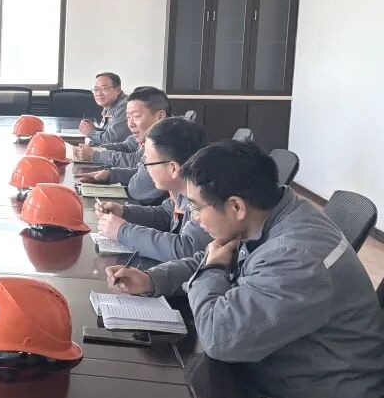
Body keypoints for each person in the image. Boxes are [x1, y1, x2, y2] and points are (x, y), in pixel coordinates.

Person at [106, 141, 384, 398]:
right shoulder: (269, 213)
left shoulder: (295, 255)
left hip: (315, 386)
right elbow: (214, 257)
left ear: (236, 206)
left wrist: (212, 270)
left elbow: (219, 337)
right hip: (282, 361)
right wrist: (152, 279)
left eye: (196, 207)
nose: (194, 217)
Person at [94, 117, 211, 261]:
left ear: (173, 168)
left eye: (148, 162)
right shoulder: (181, 189)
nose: (146, 169)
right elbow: (166, 214)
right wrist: (124, 212)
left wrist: (123, 231)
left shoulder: (206, 197)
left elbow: (187, 249)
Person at [76, 86, 170, 204]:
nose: (130, 124)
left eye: (136, 116)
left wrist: (96, 155)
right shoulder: (154, 133)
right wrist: (111, 174)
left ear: (160, 116)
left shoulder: (166, 143)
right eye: (128, 117)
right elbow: (128, 148)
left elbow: (137, 186)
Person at [80, 72, 129, 146]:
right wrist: (93, 129)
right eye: (96, 89)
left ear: (118, 90)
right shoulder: (108, 106)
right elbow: (106, 134)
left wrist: (91, 133)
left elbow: (112, 141)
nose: (98, 93)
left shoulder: (125, 107)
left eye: (104, 88)